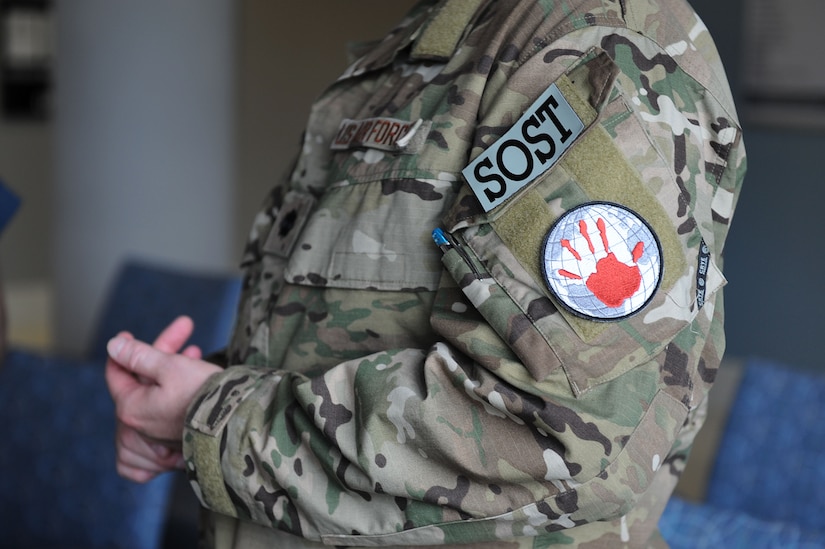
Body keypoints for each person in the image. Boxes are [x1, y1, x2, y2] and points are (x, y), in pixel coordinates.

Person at [106, 0, 747, 547]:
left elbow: (545, 436)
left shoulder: (581, 41)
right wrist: (199, 393)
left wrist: (210, 417)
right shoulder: (438, 38)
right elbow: (374, 320)